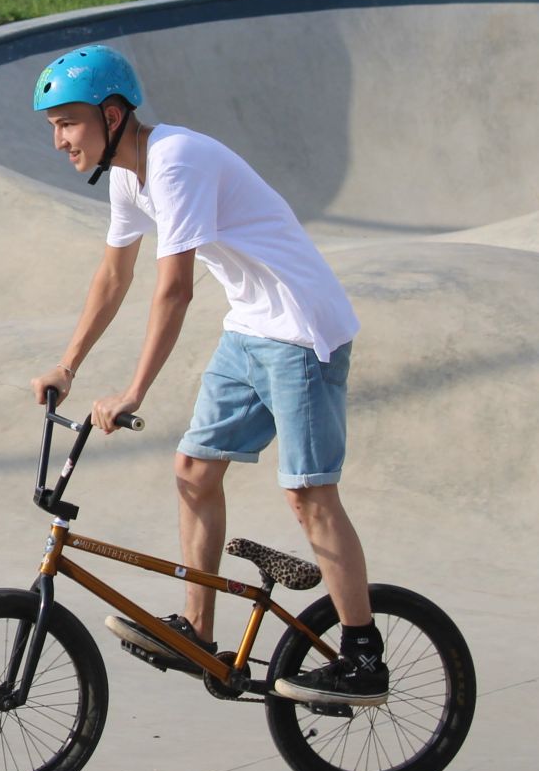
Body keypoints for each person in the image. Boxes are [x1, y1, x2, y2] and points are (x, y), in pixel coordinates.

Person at [26, 44, 387, 705]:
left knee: (308, 495)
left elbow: (175, 289)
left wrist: (134, 391)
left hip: (303, 331)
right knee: (193, 470)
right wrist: (67, 364)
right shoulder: (127, 177)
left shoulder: (174, 161)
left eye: (68, 122)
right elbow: (114, 275)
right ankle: (198, 631)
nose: (59, 140)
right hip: (252, 328)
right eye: (52, 126)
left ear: (112, 114)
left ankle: (362, 652)